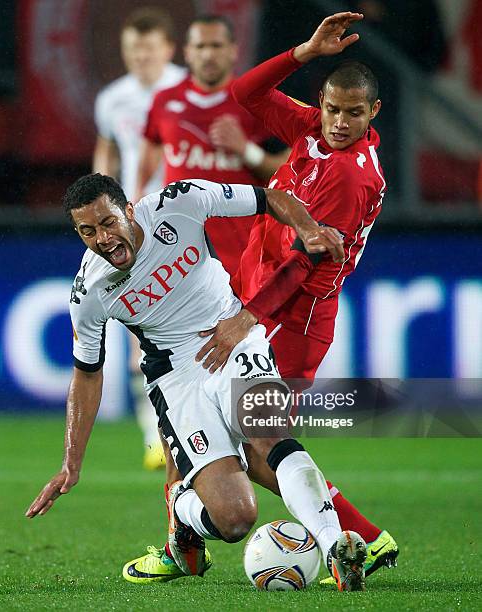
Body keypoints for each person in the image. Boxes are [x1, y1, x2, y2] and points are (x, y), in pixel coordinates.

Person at [125, 12, 398, 586]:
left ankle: (362, 538)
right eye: (332, 109)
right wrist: (304, 51)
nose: (340, 122)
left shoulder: (349, 177)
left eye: (354, 113)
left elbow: (305, 263)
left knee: (255, 448)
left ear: (374, 113)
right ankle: (185, 548)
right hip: (249, 300)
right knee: (190, 426)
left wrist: (243, 319)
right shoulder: (312, 132)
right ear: (320, 105)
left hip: (286, 319)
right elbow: (244, 92)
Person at [25, 172, 369, 592]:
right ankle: (182, 511)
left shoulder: (180, 202)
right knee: (235, 519)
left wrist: (309, 229)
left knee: (268, 434)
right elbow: (87, 374)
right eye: (88, 231)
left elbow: (271, 198)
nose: (103, 238)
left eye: (109, 222)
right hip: (177, 379)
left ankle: (337, 549)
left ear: (129, 210)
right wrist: (71, 463)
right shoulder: (89, 291)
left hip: (232, 336)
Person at [93, 7, 186, 470]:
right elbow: (107, 151)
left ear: (167, 50)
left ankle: (198, 428)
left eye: (148, 49)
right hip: (130, 229)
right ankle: (156, 437)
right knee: (138, 330)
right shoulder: (113, 99)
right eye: (132, 49)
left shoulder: (185, 91)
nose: (140, 58)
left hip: (183, 224)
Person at [136, 14, 289, 277]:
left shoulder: (255, 101)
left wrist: (246, 150)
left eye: (216, 46)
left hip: (243, 252)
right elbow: (148, 159)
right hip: (178, 255)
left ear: (233, 50)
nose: (208, 55)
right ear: (187, 52)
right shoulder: (164, 101)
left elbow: (290, 167)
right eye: (200, 46)